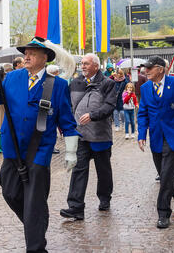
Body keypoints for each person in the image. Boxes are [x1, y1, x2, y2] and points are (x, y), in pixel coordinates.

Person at [0, 37, 79, 252]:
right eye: (25, 52)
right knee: (9, 192)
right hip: (12, 148)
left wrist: (71, 152)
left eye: (32, 53)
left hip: (40, 150)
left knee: (34, 201)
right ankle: (35, 222)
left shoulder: (58, 85)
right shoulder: (11, 78)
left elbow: (66, 120)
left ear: (45, 58)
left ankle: (36, 246)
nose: (26, 56)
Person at [137, 56, 174, 229]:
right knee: (166, 174)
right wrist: (141, 134)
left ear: (161, 69)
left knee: (166, 175)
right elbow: (142, 113)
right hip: (156, 136)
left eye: (149, 68)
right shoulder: (146, 87)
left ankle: (163, 213)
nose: (146, 71)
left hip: (173, 135)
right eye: (145, 68)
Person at [60, 53, 117, 221]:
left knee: (103, 170)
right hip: (80, 135)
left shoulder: (108, 83)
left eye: (86, 63)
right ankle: (75, 207)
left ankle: (105, 198)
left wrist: (93, 115)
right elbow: (69, 105)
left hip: (100, 135)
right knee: (79, 170)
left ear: (96, 66)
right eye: (82, 63)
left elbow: (110, 105)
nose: (82, 66)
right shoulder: (75, 83)